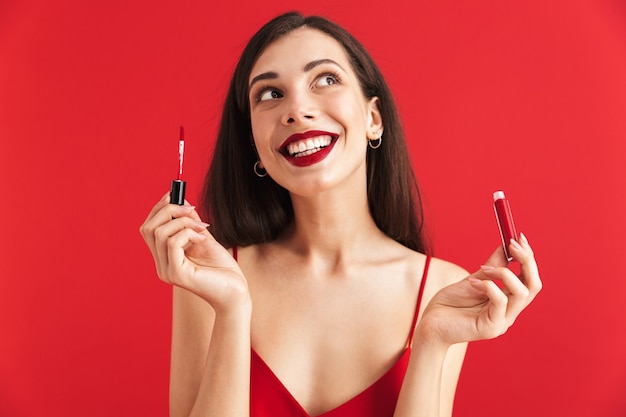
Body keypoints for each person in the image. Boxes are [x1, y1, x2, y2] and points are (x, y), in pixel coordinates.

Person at [140, 11, 542, 417]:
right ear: (254, 145)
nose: (296, 109)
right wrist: (231, 308)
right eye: (270, 94)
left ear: (373, 118)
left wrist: (433, 341)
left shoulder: (443, 289)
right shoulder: (208, 281)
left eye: (326, 80)